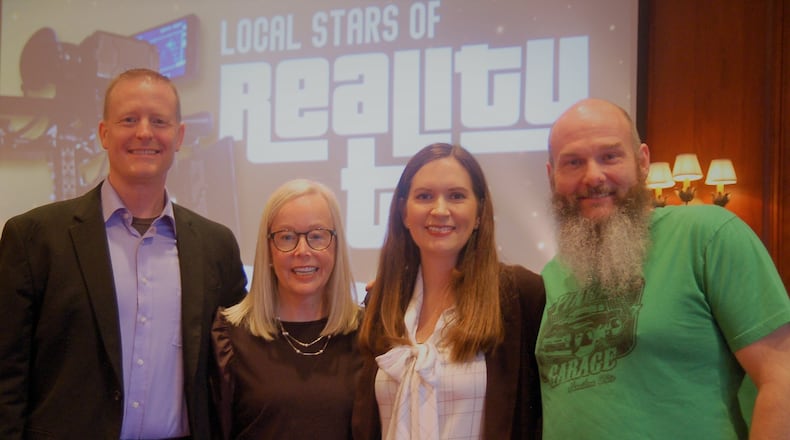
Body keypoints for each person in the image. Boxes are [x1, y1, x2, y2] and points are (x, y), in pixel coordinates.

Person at [0, 68, 248, 439]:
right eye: (129, 119)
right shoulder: (34, 238)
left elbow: (239, 361)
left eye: (159, 121)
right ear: (104, 133)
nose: (144, 132)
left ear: (179, 136)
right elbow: (7, 374)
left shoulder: (216, 246)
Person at [537, 97, 790, 439]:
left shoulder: (707, 235)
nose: (593, 176)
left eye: (610, 156)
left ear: (642, 162)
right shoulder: (552, 276)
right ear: (552, 177)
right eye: (573, 162)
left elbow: (781, 376)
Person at [353, 143, 546, 440]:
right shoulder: (383, 303)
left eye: (456, 196)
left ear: (480, 212)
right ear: (404, 213)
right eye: (424, 196)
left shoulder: (520, 295)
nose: (440, 210)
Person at [211, 178, 362, 439]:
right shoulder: (229, 337)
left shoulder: (368, 334)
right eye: (287, 237)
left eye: (317, 236)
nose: (302, 251)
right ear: (268, 250)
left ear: (336, 246)